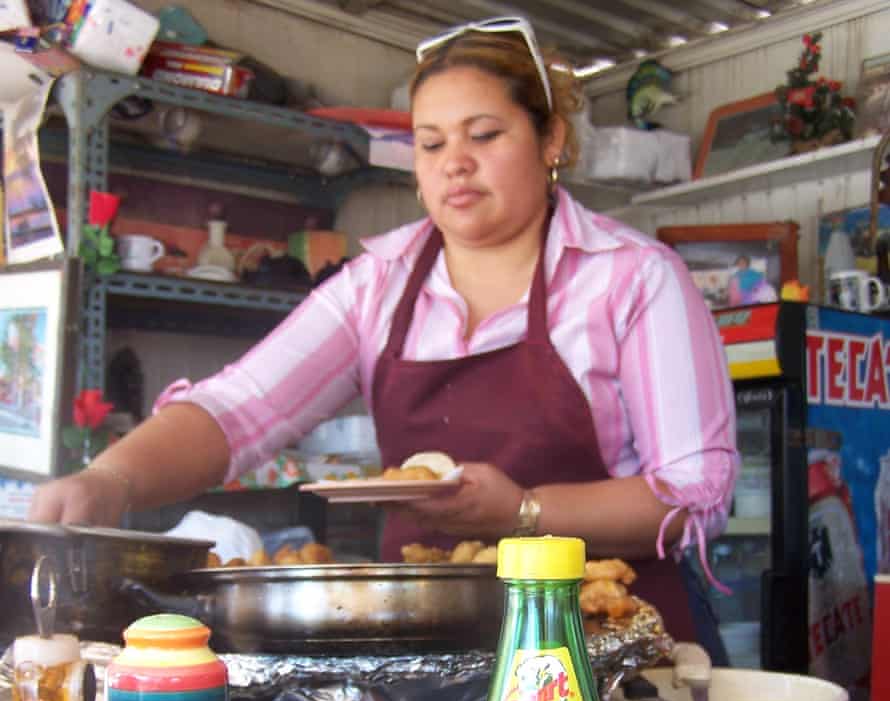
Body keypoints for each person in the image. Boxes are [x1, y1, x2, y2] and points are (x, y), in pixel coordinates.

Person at [29, 16, 738, 653]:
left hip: (603, 643)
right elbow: (239, 408)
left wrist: (522, 512)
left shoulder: (633, 279)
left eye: (485, 135)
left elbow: (696, 494)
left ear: (551, 138)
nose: (454, 162)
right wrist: (111, 480)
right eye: (431, 144)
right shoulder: (380, 284)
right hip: (426, 648)